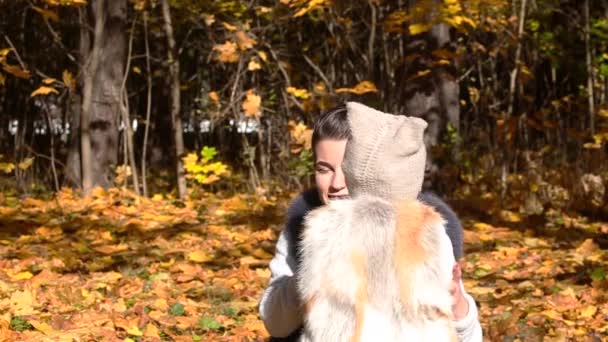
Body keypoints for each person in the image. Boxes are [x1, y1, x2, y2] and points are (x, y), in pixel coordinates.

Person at [259, 103, 482, 341]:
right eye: (324, 169)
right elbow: (274, 324)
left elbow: (470, 337)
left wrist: (456, 301)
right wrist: (313, 270)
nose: (336, 183)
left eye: (347, 169)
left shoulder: (421, 233)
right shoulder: (304, 226)